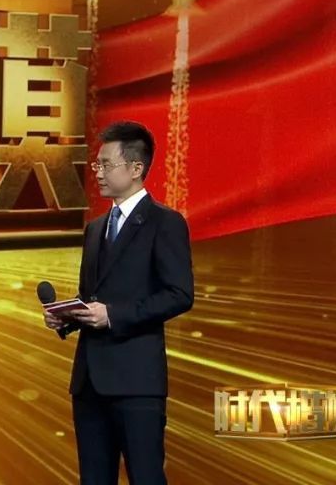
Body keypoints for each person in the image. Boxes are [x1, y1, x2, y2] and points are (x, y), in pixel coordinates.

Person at [45, 121, 194, 485]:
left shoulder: (165, 222)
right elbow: (91, 297)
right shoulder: (96, 228)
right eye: (96, 164)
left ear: (136, 168)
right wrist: (67, 318)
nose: (97, 172)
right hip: (89, 382)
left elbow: (179, 294)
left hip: (136, 380)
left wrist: (114, 316)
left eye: (106, 164)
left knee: (145, 476)